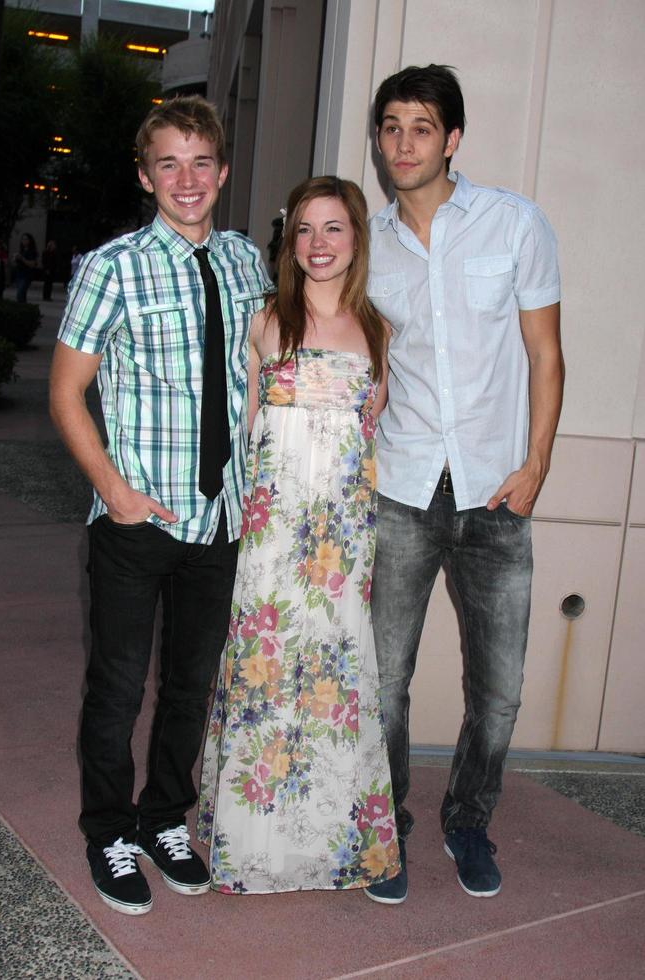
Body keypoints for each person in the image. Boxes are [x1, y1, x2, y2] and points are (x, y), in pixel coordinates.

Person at [49, 95, 271, 916]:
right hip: (139, 518)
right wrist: (113, 491)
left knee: (192, 684)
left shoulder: (249, 262)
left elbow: (262, 373)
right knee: (116, 685)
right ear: (146, 175)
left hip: (223, 516)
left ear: (222, 171)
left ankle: (162, 818)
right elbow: (66, 392)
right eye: (169, 163)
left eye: (202, 161)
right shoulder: (111, 267)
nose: (188, 179)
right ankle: (109, 828)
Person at [363, 65, 564, 905]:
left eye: (421, 126)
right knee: (382, 681)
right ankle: (390, 830)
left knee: (502, 691)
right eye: (391, 126)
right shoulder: (369, 247)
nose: (403, 142)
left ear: (452, 140)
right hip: (402, 489)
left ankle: (468, 820)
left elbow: (546, 354)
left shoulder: (515, 224)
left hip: (495, 494)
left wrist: (537, 465)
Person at [196, 176, 400, 895]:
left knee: (335, 681)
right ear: (290, 240)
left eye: (334, 228)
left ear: (356, 238)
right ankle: (252, 844)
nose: (318, 244)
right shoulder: (263, 323)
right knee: (264, 677)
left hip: (341, 544)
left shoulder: (379, 330)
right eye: (306, 229)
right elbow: (243, 435)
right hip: (273, 539)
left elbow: (368, 439)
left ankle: (329, 844)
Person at [13, 232, 38, 302]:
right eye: (23, 239)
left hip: (26, 275)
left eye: (26, 239)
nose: (24, 241)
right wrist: (15, 259)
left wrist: (22, 258)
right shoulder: (21, 251)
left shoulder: (32, 251)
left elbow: (32, 264)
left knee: (20, 293)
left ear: (30, 241)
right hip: (19, 274)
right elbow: (17, 264)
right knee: (22, 294)